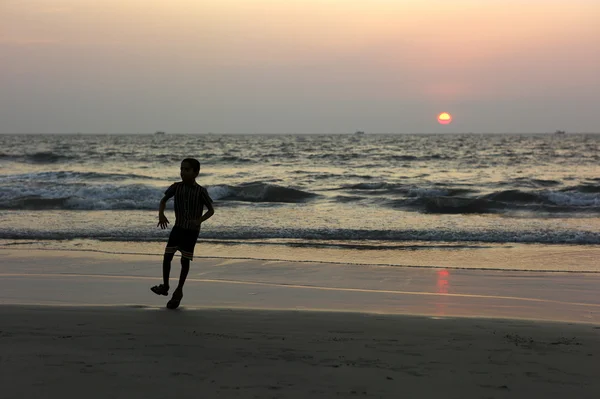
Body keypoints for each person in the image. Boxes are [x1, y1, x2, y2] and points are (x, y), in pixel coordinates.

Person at [151, 158, 214, 309]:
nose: (183, 172)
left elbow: (211, 210)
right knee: (167, 257)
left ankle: (179, 290)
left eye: (187, 170)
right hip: (178, 228)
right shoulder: (176, 187)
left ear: (195, 173)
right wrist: (161, 214)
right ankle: (165, 286)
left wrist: (199, 220)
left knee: (184, 261)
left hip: (191, 231)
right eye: (181, 169)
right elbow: (163, 201)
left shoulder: (201, 191)